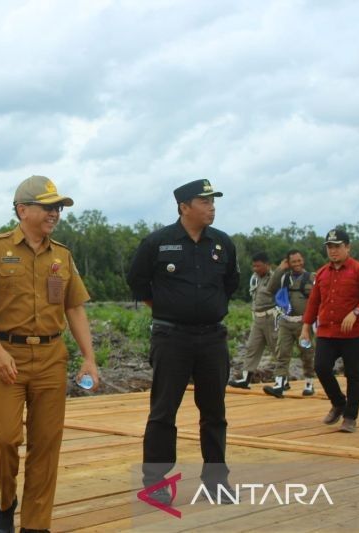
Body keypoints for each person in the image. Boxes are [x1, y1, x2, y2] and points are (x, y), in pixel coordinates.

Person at [0, 175, 99, 533]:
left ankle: (36, 525)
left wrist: (89, 357)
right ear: (23, 210)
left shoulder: (63, 256)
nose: (55, 213)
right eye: (47, 206)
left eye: (58, 207)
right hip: (8, 356)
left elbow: (75, 308)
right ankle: (6, 500)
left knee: (46, 445)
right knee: (4, 437)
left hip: (52, 357)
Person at [127, 178, 239, 505]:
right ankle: (156, 482)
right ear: (184, 207)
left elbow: (229, 283)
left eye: (213, 201)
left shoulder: (222, 244)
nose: (212, 207)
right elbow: (137, 282)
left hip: (212, 338)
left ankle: (216, 481)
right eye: (204, 201)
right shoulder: (158, 243)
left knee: (214, 411)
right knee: (163, 412)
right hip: (171, 337)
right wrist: (166, 307)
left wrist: (207, 309)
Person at [301, 229, 359, 433]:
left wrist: (356, 312)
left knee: (353, 372)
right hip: (327, 330)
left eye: (337, 246)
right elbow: (314, 302)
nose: (333, 251)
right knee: (321, 367)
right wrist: (306, 326)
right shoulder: (322, 273)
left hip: (354, 332)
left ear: (347, 247)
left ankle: (350, 417)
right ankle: (338, 402)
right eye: (330, 247)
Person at [263, 250, 316, 398]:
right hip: (286, 321)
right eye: (294, 261)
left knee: (307, 353)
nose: (298, 264)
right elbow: (270, 289)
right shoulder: (283, 277)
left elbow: (318, 299)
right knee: (282, 353)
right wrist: (280, 269)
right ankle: (279, 384)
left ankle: (309, 383)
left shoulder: (311, 278)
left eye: (299, 260)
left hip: (303, 323)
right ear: (289, 263)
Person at [228, 252, 278, 389]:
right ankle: (245, 379)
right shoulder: (254, 278)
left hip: (272, 317)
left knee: (277, 349)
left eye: (258, 266)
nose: (255, 269)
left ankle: (282, 381)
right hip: (258, 318)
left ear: (267, 265)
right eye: (254, 266)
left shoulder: (275, 279)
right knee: (252, 347)